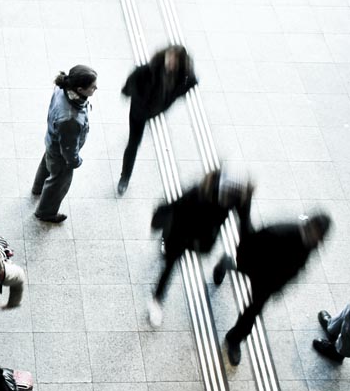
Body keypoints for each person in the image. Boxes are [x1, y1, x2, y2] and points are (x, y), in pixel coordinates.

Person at [213, 214, 331, 365]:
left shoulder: (310, 245)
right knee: (240, 271)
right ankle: (227, 263)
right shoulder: (282, 231)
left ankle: (234, 338)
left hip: (267, 283)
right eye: (316, 232)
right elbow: (254, 240)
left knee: (252, 311)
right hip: (256, 265)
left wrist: (279, 286)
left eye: (319, 236)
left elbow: (296, 268)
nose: (316, 238)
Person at [147, 169, 253, 327]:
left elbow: (245, 224)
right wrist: (160, 222)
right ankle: (156, 300)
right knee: (170, 264)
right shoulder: (198, 193)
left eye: (233, 196)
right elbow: (175, 208)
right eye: (227, 195)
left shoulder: (239, 197)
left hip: (204, 238)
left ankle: (223, 264)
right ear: (220, 189)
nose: (229, 199)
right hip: (181, 231)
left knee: (198, 252)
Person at [118, 45, 197, 195]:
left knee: (135, 140)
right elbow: (131, 83)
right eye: (170, 58)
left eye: (175, 61)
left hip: (156, 109)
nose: (171, 63)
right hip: (139, 112)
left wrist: (173, 97)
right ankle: (125, 177)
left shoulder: (184, 77)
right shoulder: (146, 71)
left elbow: (190, 83)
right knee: (133, 143)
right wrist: (127, 93)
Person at [32, 65, 97, 223]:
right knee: (59, 182)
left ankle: (38, 188)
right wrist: (75, 161)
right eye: (92, 87)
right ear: (80, 90)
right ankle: (46, 212)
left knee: (47, 164)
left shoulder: (62, 89)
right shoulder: (70, 118)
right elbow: (68, 148)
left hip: (52, 141)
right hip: (62, 154)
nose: (96, 88)